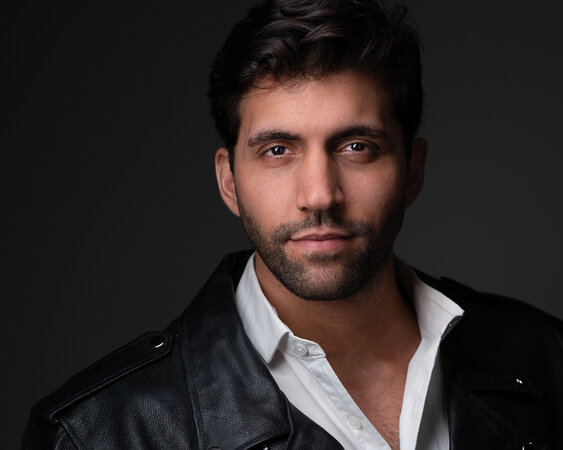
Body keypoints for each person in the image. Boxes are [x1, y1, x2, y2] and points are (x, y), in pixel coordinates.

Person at [22, 0, 563, 448]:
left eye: (357, 147)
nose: (319, 195)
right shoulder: (100, 432)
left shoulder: (545, 358)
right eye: (278, 150)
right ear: (229, 181)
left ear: (412, 171)